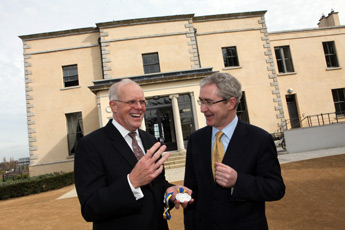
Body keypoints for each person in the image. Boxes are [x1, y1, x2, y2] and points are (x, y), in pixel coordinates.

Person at [74, 79, 192, 230]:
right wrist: (132, 182)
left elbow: (156, 185)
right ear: (113, 106)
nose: (139, 107)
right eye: (131, 102)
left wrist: (169, 190)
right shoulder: (90, 145)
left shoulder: (150, 140)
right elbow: (90, 207)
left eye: (142, 102)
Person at [184, 72, 285, 230]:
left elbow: (275, 188)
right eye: (201, 102)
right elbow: (192, 191)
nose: (203, 109)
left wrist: (238, 181)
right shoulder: (196, 140)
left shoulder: (259, 139)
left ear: (231, 103)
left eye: (209, 102)